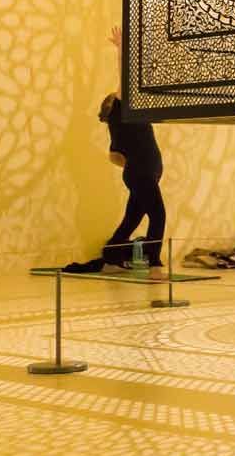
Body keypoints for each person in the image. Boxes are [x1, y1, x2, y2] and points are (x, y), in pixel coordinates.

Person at [67, 29, 167, 279]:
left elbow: (116, 158)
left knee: (131, 220)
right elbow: (126, 76)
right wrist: (122, 49)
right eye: (118, 95)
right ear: (114, 106)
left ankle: (111, 257)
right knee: (158, 215)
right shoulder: (122, 113)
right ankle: (154, 264)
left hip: (141, 174)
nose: (121, 93)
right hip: (143, 174)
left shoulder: (122, 126)